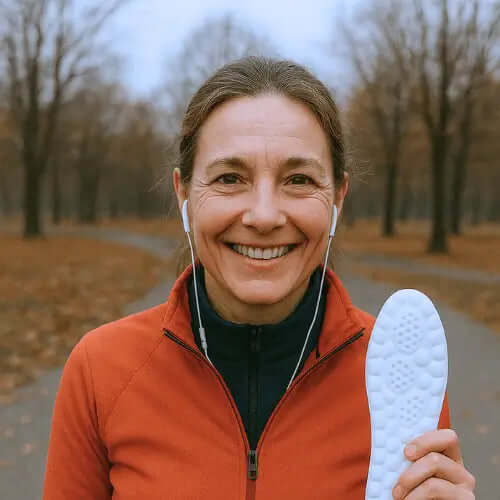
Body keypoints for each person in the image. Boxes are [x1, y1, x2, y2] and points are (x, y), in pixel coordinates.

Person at [42, 56, 475, 499]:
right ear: (184, 193)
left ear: (337, 199)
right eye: (230, 178)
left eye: (299, 180)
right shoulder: (101, 369)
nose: (264, 216)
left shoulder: (402, 369)